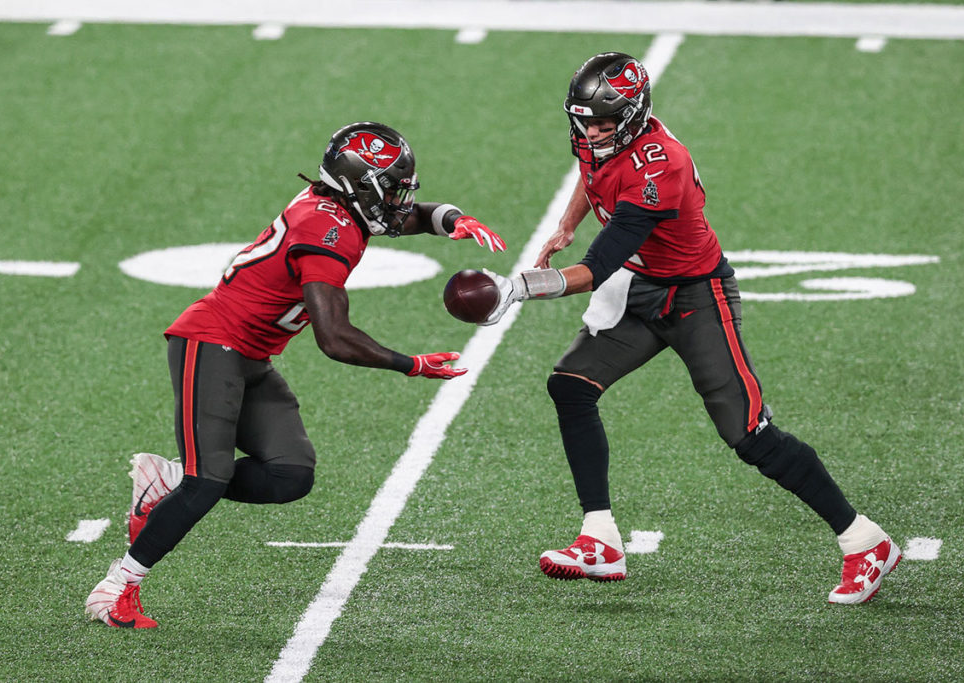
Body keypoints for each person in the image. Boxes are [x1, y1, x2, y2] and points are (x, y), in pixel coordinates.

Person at [480, 53, 899, 604]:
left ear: (631, 119)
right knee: (572, 385)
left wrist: (519, 288)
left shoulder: (661, 167)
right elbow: (592, 173)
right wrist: (565, 224)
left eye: (604, 125)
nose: (591, 133)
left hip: (697, 296)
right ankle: (599, 538)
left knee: (749, 435)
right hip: (644, 287)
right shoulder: (598, 137)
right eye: (585, 122)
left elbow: (597, 267)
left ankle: (864, 540)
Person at [85, 121, 507, 628]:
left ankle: (167, 480)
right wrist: (410, 364)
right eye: (390, 187)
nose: (399, 199)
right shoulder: (326, 229)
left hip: (249, 355)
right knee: (208, 481)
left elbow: (401, 217)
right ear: (360, 185)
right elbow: (334, 337)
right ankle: (117, 587)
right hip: (210, 342)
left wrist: (450, 220)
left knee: (290, 475)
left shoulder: (337, 207)